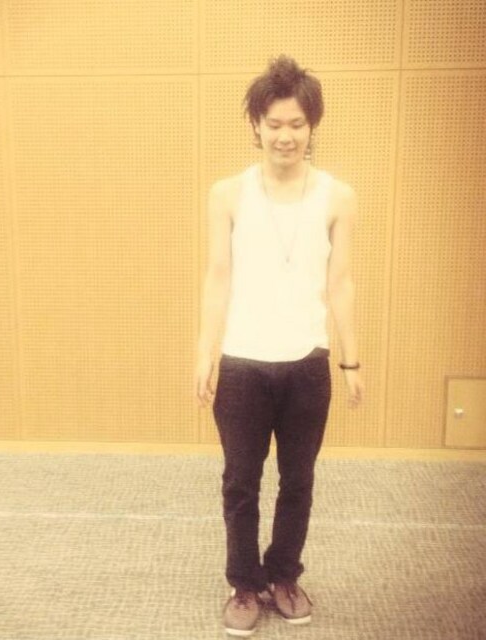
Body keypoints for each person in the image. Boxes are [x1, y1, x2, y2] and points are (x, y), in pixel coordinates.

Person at [194, 55, 364, 637]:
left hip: (307, 364)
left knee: (299, 480)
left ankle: (284, 575)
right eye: (274, 124)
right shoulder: (227, 194)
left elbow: (341, 282)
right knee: (240, 481)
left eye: (296, 124)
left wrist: (351, 360)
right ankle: (244, 583)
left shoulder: (338, 197)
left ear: (312, 125)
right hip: (243, 363)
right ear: (257, 125)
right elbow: (217, 277)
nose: (285, 135)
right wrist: (204, 353)